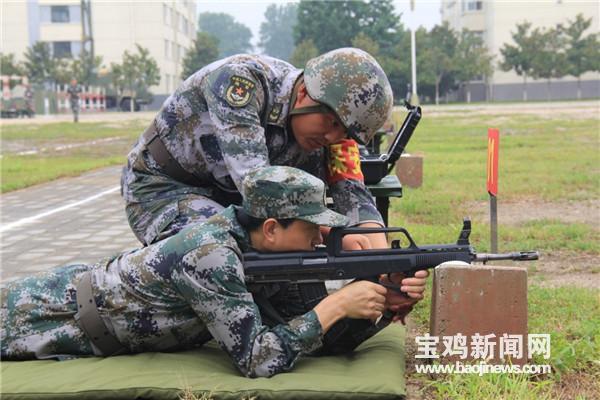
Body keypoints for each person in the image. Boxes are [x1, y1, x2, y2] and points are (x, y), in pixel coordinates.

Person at [1, 166, 428, 378]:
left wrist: (382, 304)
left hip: (83, 313)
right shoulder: (211, 256)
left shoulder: (260, 254)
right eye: (311, 227)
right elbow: (258, 360)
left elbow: (317, 342)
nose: (322, 236)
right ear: (272, 230)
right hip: (46, 314)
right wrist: (335, 304)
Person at [121, 48, 394, 249]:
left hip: (229, 200)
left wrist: (381, 258)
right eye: (331, 122)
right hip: (164, 189)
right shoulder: (241, 82)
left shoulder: (336, 125)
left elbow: (354, 195)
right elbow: (258, 190)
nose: (332, 136)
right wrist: (334, 235)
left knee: (292, 275)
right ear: (303, 95)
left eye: (344, 132)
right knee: (222, 251)